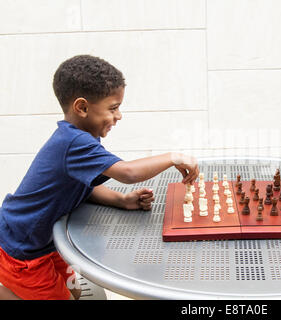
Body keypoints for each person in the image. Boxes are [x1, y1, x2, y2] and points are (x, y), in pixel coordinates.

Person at [0, 55, 199, 300]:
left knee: (74, 289)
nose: (119, 116)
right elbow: (128, 172)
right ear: (82, 107)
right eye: (113, 108)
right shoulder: (74, 142)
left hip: (46, 242)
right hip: (22, 252)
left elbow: (84, 187)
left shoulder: (80, 138)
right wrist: (174, 156)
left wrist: (122, 201)